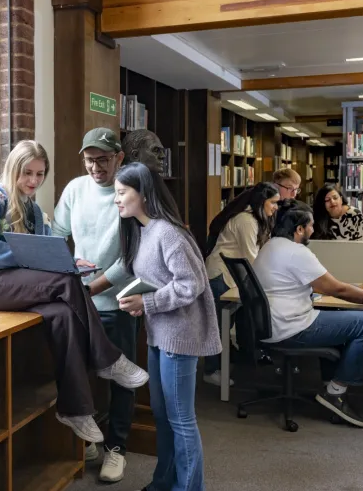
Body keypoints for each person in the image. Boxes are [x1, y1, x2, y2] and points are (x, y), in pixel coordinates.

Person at [0, 140, 148, 444]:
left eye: (40, 174)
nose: (34, 181)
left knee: (63, 312)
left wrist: (73, 262)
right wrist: (40, 262)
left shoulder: (33, 208)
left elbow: (48, 250)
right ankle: (107, 359)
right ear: (13, 169)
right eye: (27, 173)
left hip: (19, 284)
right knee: (65, 282)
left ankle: (74, 409)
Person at [114, 162, 218, 491]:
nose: (115, 200)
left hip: (181, 336)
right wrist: (139, 301)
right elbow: (158, 281)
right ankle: (164, 482)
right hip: (160, 334)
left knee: (181, 420)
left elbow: (192, 285)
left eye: (121, 193)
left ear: (142, 194)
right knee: (163, 417)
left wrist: (147, 303)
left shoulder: (169, 232)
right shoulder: (143, 231)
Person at [253, 199, 363, 427]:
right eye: (311, 225)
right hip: (293, 328)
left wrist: (357, 287)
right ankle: (335, 392)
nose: (314, 229)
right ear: (299, 229)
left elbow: (322, 285)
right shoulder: (297, 252)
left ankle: (330, 384)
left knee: (339, 315)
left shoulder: (270, 246)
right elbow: (336, 289)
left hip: (273, 325)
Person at [51, 127, 135, 482]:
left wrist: (92, 288)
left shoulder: (129, 193)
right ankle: (87, 440)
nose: (96, 167)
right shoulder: (74, 189)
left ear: (119, 158)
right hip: (80, 303)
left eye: (103, 160)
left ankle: (117, 448)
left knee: (122, 380)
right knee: (75, 373)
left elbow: (130, 258)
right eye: (90, 160)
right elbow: (56, 236)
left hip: (117, 302)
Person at [202, 183, 280, 386]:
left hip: (234, 277)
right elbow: (252, 257)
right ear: (261, 201)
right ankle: (211, 371)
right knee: (217, 326)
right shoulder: (246, 220)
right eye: (273, 202)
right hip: (221, 277)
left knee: (225, 325)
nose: (276, 207)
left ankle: (225, 363)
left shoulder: (257, 219)